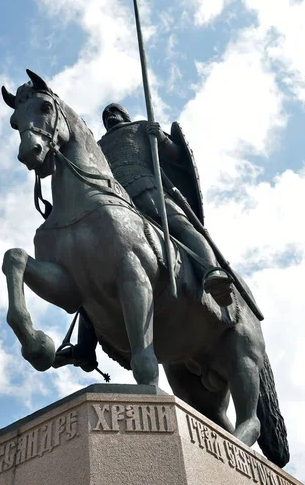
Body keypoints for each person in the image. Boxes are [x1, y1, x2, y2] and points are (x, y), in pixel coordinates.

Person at [54, 104, 234, 373]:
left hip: (148, 189)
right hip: (112, 203)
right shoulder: (99, 144)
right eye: (106, 115)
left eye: (115, 112)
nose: (110, 116)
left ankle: (212, 273)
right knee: (93, 274)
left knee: (183, 228)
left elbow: (174, 155)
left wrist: (160, 138)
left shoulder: (139, 128)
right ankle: (85, 346)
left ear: (125, 115)